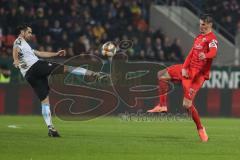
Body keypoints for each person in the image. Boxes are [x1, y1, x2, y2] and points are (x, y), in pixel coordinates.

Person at [12, 24, 107, 137]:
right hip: (35, 67)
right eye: (29, 32)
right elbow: (15, 50)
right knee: (67, 68)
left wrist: (55, 54)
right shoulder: (19, 41)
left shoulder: (26, 46)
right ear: (22, 32)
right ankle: (94, 74)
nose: (31, 35)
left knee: (45, 100)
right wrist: (15, 60)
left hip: (29, 75)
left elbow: (40, 53)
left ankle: (51, 128)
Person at [147, 14, 218, 142]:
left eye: (203, 24)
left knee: (186, 105)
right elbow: (191, 53)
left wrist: (206, 56)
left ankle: (200, 128)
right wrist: (184, 67)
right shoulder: (198, 37)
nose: (200, 26)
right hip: (188, 69)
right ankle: (162, 105)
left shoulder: (212, 39)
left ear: (210, 25)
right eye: (200, 24)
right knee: (161, 75)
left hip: (198, 75)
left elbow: (214, 52)